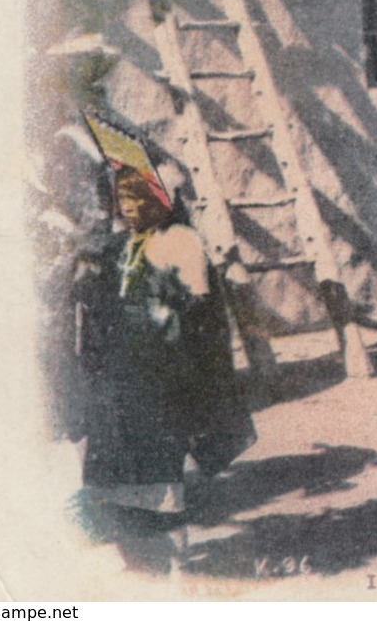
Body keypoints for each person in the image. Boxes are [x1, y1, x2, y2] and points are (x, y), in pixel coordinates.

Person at [73, 164, 253, 573]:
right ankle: (136, 555)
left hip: (161, 375)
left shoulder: (181, 242)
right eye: (125, 199)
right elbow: (96, 298)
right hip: (121, 378)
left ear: (162, 201)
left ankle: (175, 559)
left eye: (140, 198)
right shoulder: (119, 245)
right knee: (115, 469)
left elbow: (198, 309)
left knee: (158, 467)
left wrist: (167, 311)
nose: (131, 207)